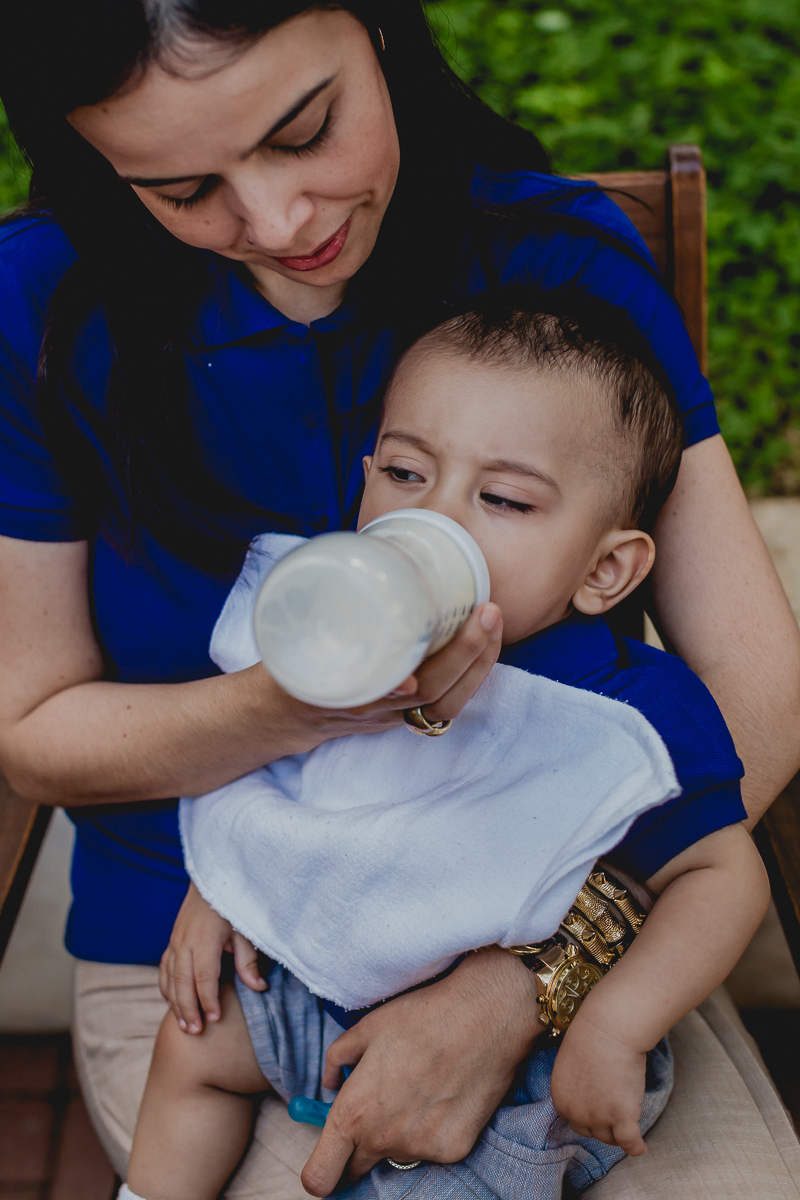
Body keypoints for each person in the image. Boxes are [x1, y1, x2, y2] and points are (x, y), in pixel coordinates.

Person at [0, 1, 796, 1193]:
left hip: (562, 902)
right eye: (178, 191)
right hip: (221, 953)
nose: (276, 223)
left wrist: (529, 981)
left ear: (376, 30)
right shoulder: (45, 305)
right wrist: (303, 708)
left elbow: (754, 697)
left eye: (304, 128)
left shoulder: (548, 270)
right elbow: (35, 731)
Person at [122, 291, 769, 1200]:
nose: (440, 521)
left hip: (522, 1060)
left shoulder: (621, 712)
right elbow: (266, 769)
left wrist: (613, 1028)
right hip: (317, 977)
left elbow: (722, 877)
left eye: (502, 497)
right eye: (405, 474)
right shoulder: (341, 632)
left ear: (603, 570)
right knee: (194, 1043)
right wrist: (223, 892)